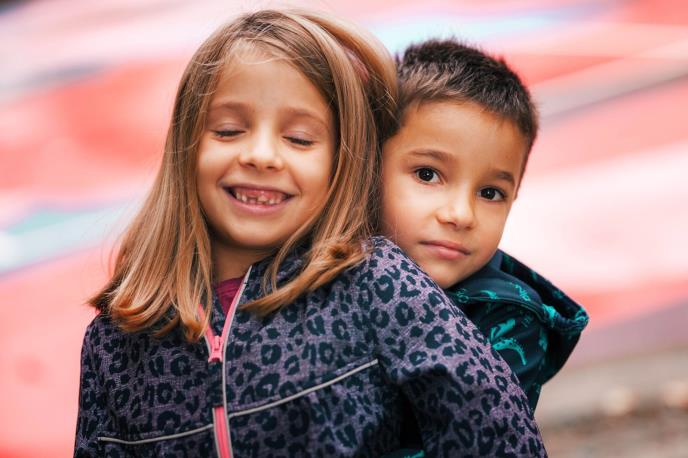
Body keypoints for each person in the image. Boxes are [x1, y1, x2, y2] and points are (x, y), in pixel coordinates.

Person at [74, 11, 546, 457]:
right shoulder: (114, 342)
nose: (261, 155)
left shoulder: (376, 283)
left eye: (299, 139)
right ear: (185, 145)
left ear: (346, 162)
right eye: (229, 130)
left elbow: (500, 438)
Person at [380, 38, 589, 454]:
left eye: (490, 193)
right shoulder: (323, 268)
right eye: (427, 174)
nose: (460, 214)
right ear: (370, 164)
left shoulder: (510, 324)